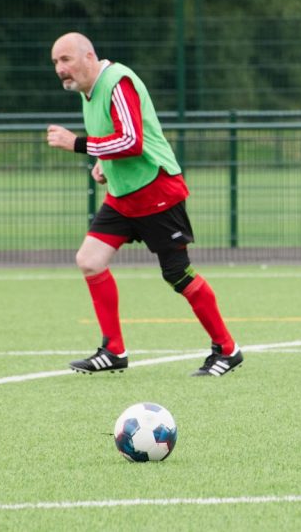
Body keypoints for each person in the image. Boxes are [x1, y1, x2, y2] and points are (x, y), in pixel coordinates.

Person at [47, 32, 242, 378]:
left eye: (66, 59)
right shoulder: (87, 92)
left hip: (156, 191)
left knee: (178, 274)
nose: (60, 68)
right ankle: (113, 350)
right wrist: (103, 163)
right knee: (90, 260)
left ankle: (227, 350)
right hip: (124, 197)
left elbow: (132, 141)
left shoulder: (117, 81)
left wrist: (77, 144)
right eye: (55, 62)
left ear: (89, 56)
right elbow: (115, 137)